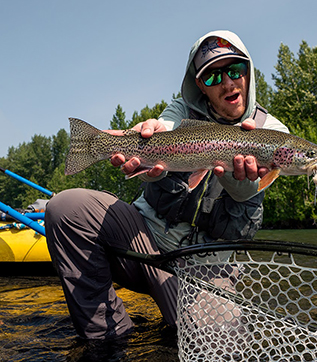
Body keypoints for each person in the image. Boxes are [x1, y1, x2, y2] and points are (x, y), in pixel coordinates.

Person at [45, 30, 289, 340]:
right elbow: (166, 130)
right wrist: (151, 154)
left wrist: (232, 174)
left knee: (220, 344)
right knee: (67, 208)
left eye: (234, 70)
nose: (227, 82)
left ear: (248, 72)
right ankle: (108, 340)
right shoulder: (180, 110)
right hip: (143, 242)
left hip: (207, 270)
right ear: (200, 84)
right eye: (213, 77)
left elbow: (245, 207)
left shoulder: (272, 133)